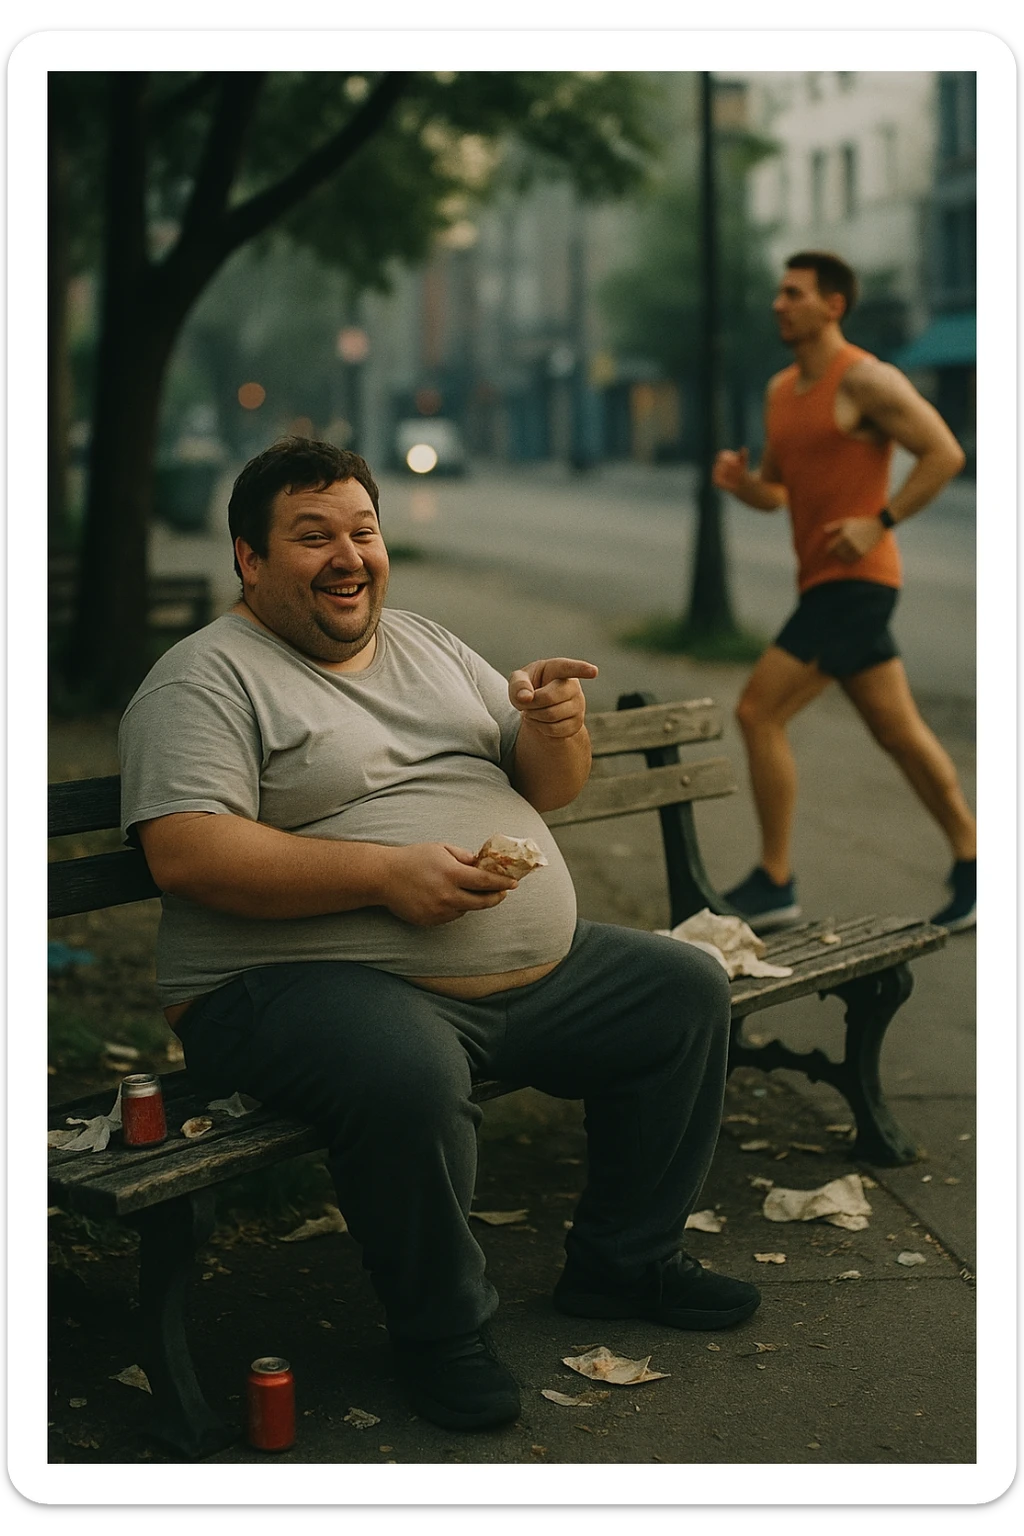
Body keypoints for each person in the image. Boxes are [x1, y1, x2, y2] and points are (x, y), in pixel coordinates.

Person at [118, 436, 760, 1434]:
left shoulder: (425, 642)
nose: (348, 555)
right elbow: (189, 855)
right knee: (407, 1072)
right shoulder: (203, 680)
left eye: (362, 531)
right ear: (249, 558)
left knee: (682, 991)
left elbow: (543, 784)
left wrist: (555, 726)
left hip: (522, 978)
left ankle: (623, 1264)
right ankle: (441, 1332)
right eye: (311, 537)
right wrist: (384, 874)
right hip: (286, 982)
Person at [713, 251, 977, 935]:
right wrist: (746, 487)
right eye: (777, 293)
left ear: (833, 305)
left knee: (756, 710)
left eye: (794, 294)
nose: (779, 304)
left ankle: (775, 879)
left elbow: (945, 452)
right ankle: (976, 862)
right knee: (899, 733)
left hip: (857, 584)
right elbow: (778, 492)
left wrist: (879, 520)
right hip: (829, 582)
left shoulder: (864, 378)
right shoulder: (779, 393)